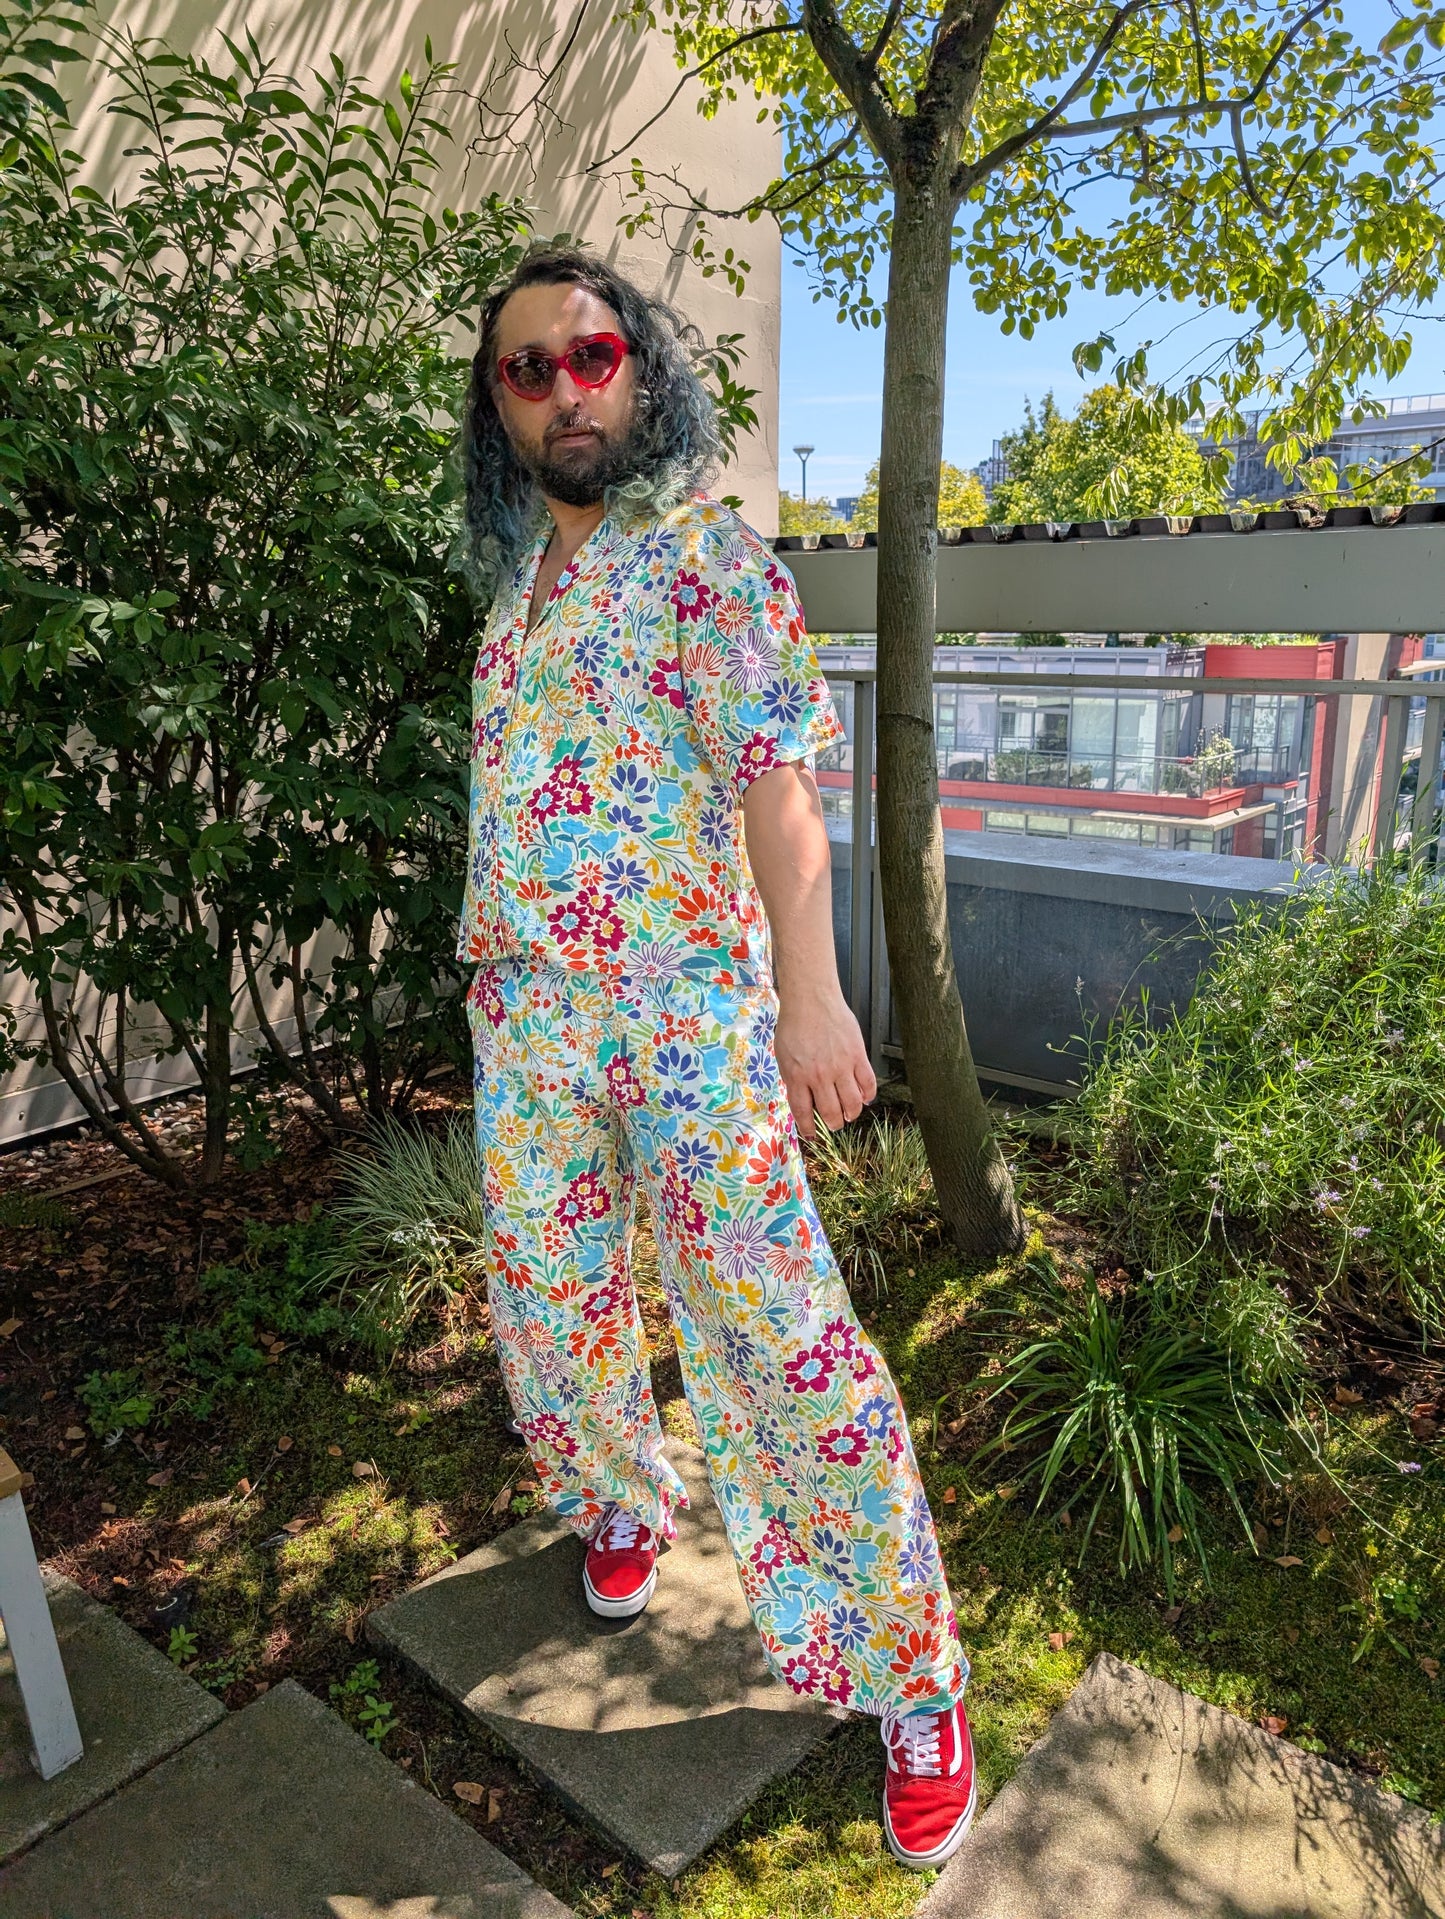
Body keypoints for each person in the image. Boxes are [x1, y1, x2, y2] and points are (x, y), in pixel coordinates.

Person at [455, 245, 975, 1870]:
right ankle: (621, 1497)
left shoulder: (709, 562)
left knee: (774, 1330)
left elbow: (777, 788)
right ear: (497, 407)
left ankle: (910, 1674)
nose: (563, 389)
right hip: (527, 1015)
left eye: (589, 354)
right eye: (527, 369)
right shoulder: (510, 604)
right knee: (550, 1297)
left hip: (685, 1013)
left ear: (641, 370)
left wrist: (811, 1000)